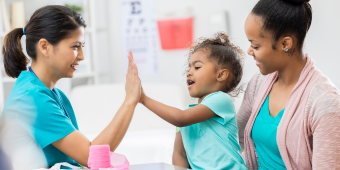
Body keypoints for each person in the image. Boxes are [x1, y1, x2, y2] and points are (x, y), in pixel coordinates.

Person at [0, 5, 141, 170]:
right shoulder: (31, 98)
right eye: (75, 46)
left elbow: (81, 160)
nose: (81, 56)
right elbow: (91, 157)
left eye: (83, 46)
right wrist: (130, 101)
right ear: (44, 47)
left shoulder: (55, 95)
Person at [237, 0, 340, 169]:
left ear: (285, 44)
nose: (249, 51)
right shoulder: (258, 83)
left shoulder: (325, 102)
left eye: (255, 45)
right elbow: (240, 140)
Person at [134, 32, 248, 169]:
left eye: (197, 67)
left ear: (221, 75)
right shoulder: (186, 115)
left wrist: (143, 99)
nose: (189, 72)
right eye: (189, 67)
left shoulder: (221, 100)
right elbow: (179, 153)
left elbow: (180, 118)